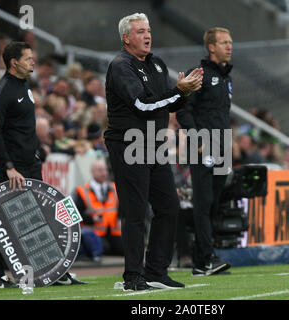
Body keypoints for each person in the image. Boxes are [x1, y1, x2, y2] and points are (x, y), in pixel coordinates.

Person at [104, 13, 203, 291]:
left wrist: (184, 93)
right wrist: (178, 92)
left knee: (169, 207)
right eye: (139, 32)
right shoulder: (121, 66)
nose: (147, 36)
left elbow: (166, 105)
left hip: (155, 144)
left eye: (148, 30)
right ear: (126, 38)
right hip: (128, 144)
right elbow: (142, 105)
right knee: (136, 211)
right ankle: (133, 277)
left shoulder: (157, 64)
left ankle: (156, 271)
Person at [0, 41, 85, 288]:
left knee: (40, 219)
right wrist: (8, 165)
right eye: (28, 58)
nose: (33, 61)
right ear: (14, 63)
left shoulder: (24, 85)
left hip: (31, 163)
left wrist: (38, 150)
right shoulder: (3, 89)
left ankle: (55, 271)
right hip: (14, 167)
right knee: (8, 221)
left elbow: (22, 128)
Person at [176, 27, 233, 276]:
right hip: (204, 147)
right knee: (203, 202)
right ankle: (205, 259)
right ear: (211, 47)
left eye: (230, 42)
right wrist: (198, 139)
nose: (229, 46)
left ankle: (203, 261)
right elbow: (183, 110)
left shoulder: (225, 77)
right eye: (224, 43)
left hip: (222, 147)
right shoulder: (198, 74)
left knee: (214, 204)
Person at [72, 159, 123, 260]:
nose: (104, 173)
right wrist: (91, 219)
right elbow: (76, 214)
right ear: (93, 172)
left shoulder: (114, 188)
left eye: (105, 170)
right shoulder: (82, 191)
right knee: (101, 249)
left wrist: (120, 218)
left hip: (113, 232)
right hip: (94, 233)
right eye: (100, 170)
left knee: (125, 250)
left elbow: (122, 207)